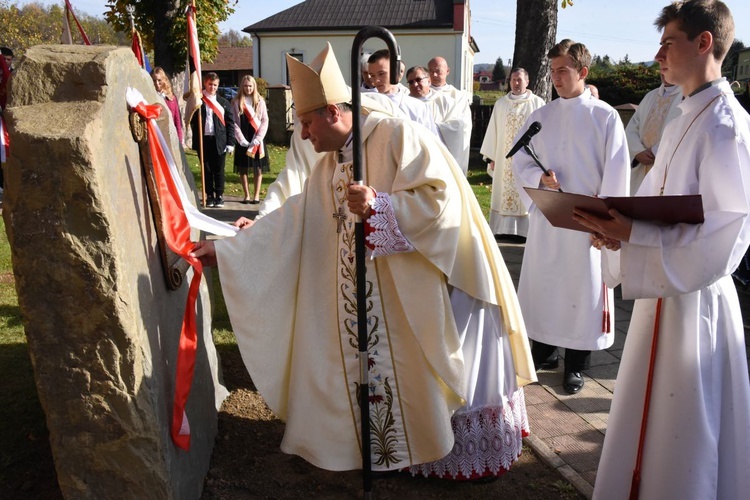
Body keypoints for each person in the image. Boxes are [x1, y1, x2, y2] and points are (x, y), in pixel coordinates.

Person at [190, 42, 536, 478]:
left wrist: (383, 206)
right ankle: (386, 451)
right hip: (372, 301)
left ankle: (438, 458)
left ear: (333, 112)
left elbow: (441, 201)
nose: (301, 135)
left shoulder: (397, 136)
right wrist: (231, 247)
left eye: (306, 122)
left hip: (437, 283)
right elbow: (299, 219)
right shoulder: (331, 162)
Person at [572, 1, 750, 498]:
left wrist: (634, 236)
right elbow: (653, 207)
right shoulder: (683, 117)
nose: (657, 56)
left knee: (686, 427)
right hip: (662, 297)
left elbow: (727, 234)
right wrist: (615, 229)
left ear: (704, 42)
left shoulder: (726, 126)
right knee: (649, 423)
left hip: (697, 305)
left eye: (668, 42)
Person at [511, 39, 630, 394]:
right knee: (547, 286)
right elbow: (520, 160)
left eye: (562, 70)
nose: (555, 78)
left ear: (583, 72)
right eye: (552, 71)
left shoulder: (604, 116)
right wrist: (538, 179)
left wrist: (608, 222)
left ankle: (576, 364)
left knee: (583, 288)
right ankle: (544, 350)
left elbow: (617, 171)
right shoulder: (540, 117)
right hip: (550, 219)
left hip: (586, 223)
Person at [480, 68, 545, 238]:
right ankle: (502, 229)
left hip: (528, 159)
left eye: (520, 80)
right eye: (513, 80)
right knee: (503, 189)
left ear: (527, 82)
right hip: (503, 158)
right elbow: (493, 130)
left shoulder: (537, 103)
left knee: (526, 188)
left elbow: (544, 134)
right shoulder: (501, 104)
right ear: (509, 82)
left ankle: (525, 231)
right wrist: (491, 157)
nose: (516, 83)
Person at [407, 65, 472, 174]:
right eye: (411, 82)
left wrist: (432, 127)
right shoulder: (404, 103)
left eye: (418, 80)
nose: (415, 84)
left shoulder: (446, 102)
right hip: (412, 158)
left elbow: (458, 127)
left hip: (439, 159)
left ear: (428, 81)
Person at [625, 72, 682, 194]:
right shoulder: (650, 95)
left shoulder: (686, 96)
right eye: (662, 68)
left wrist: (655, 151)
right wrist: (638, 151)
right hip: (641, 166)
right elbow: (633, 126)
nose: (664, 72)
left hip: (665, 167)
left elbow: (680, 130)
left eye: (668, 68)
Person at [367, 49, 439, 136]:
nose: (376, 80)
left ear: (395, 71)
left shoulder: (417, 107)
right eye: (372, 75)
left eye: (381, 74)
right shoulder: (368, 105)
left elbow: (431, 142)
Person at [190, 72, 235, 208]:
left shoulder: (223, 103)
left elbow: (230, 123)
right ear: (205, 83)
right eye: (210, 84)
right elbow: (192, 120)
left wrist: (230, 143)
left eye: (215, 85)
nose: (212, 87)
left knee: (219, 169)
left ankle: (219, 196)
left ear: (218, 85)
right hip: (204, 140)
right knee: (207, 169)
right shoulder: (199, 101)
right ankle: (209, 195)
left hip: (219, 140)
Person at [231, 75, 270, 204]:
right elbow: (234, 123)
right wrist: (240, 139)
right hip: (243, 137)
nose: (248, 88)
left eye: (250, 86)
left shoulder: (260, 101)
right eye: (246, 86)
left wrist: (258, 138)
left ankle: (256, 195)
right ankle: (247, 195)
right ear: (242, 86)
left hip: (257, 138)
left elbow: (265, 120)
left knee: (257, 168)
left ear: (254, 87)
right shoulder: (236, 102)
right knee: (243, 167)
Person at [151, 67, 184, 145]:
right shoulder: (149, 96)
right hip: (155, 135)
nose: (157, 83)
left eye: (159, 80)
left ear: (164, 80)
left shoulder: (171, 98)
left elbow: (177, 120)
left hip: (170, 135)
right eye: (154, 80)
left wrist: (179, 139)